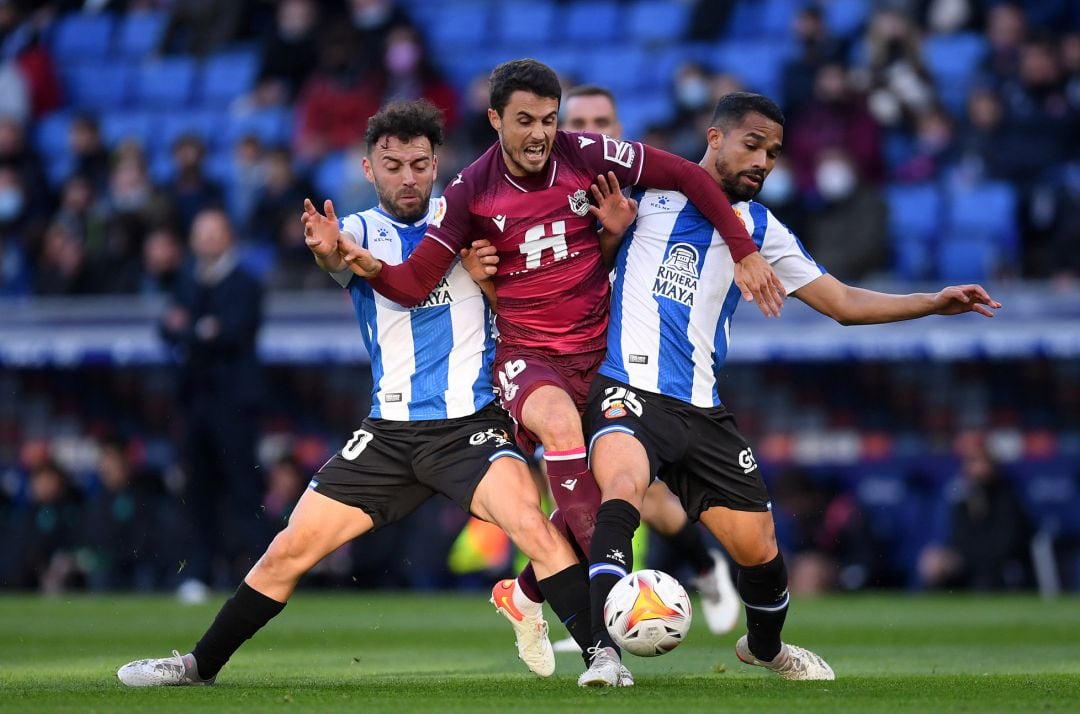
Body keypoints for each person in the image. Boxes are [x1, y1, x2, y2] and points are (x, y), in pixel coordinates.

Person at [326, 59, 785, 687]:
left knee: (613, 499)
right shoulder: (467, 192)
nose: (540, 133)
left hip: (601, 354)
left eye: (548, 119)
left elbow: (685, 175)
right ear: (494, 120)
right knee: (567, 441)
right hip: (527, 357)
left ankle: (526, 594)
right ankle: (602, 645)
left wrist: (741, 246)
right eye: (525, 121)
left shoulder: (590, 155)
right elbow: (412, 285)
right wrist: (364, 264)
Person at [116, 99, 596, 687]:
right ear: (369, 170)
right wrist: (324, 249)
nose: (408, 177)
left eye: (419, 163)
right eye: (392, 166)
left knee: (534, 527)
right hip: (388, 434)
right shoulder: (361, 231)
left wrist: (491, 279)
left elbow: (519, 313)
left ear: (436, 162)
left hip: (468, 426)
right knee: (288, 549)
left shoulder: (474, 220)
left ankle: (601, 657)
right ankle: (198, 665)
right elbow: (335, 258)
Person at [579, 91, 1001, 684]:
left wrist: (932, 303)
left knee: (760, 547)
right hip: (626, 386)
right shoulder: (648, 195)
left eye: (774, 153)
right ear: (715, 137)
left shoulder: (762, 228)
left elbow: (844, 303)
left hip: (701, 409)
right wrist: (606, 241)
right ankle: (603, 653)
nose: (764, 161)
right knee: (621, 490)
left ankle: (766, 648)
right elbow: (572, 278)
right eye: (753, 145)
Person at [557, 83, 741, 642]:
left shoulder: (651, 195)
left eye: (603, 119)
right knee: (612, 493)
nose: (591, 130)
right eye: (579, 120)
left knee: (619, 492)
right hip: (572, 362)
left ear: (620, 130)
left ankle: (612, 609)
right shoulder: (552, 196)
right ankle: (657, 588)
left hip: (642, 367)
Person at [160, 208, 265, 602]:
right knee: (198, 491)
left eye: (214, 232)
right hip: (195, 401)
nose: (206, 239)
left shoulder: (246, 283)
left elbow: (233, 333)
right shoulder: (186, 281)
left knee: (243, 488)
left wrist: (191, 330)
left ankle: (259, 573)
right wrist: (200, 330)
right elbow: (165, 328)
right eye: (200, 232)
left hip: (234, 403)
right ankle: (200, 572)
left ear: (229, 237)